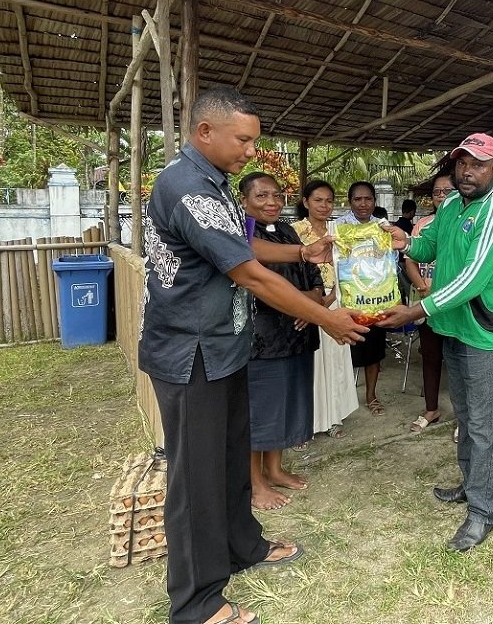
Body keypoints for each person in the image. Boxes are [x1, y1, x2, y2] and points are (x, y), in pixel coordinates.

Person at [139, 86, 368, 624]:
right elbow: (248, 273)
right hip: (190, 352)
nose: (250, 151)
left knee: (228, 457)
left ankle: (242, 544)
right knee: (195, 477)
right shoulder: (187, 188)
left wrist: (299, 250)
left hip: (224, 347)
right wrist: (328, 317)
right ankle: (196, 603)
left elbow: (242, 246)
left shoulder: (215, 186)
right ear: (205, 132)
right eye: (243, 140)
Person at [381, 132, 493, 552]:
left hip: (483, 331)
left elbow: (472, 278)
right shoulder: (453, 205)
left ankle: (484, 510)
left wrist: (417, 310)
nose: (467, 170)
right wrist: (401, 240)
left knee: (481, 422)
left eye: (477, 164)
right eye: (462, 163)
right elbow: (431, 243)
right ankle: (471, 485)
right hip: (455, 326)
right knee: (465, 415)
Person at [240, 173, 318, 510]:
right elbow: (255, 283)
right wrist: (297, 304)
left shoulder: (289, 232)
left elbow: (315, 277)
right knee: (259, 413)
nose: (272, 202)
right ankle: (254, 483)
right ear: (243, 201)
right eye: (261, 196)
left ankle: (274, 469)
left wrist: (311, 304)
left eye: (277, 195)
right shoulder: (239, 232)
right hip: (262, 338)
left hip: (297, 335)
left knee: (285, 406)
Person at [292, 179, 359, 439]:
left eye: (329, 200)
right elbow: (292, 272)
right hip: (305, 304)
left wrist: (332, 296)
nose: (324, 205)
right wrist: (313, 303)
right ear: (306, 202)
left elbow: (350, 269)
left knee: (335, 362)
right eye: (318, 200)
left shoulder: (340, 231)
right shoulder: (294, 232)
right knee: (311, 364)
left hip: (337, 301)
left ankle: (334, 417)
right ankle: (305, 424)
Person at [404, 173, 452, 434]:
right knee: (431, 356)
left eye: (447, 191)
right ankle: (431, 409)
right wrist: (422, 286)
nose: (441, 196)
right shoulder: (422, 224)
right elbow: (411, 258)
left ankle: (462, 417)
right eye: (437, 192)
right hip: (425, 300)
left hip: (455, 304)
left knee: (457, 361)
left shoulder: (465, 223)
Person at [335, 182, 389, 416]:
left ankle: (371, 395)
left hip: (377, 299)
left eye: (368, 199)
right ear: (350, 202)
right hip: (348, 301)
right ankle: (340, 403)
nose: (363, 204)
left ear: (374, 201)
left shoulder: (383, 227)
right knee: (343, 353)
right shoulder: (339, 227)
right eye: (358, 199)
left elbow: (391, 264)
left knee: (373, 352)